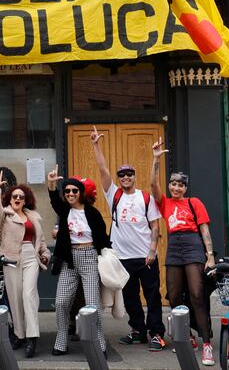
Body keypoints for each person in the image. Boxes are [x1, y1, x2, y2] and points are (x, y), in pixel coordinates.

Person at [91, 127, 166, 351]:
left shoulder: (145, 197)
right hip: (122, 257)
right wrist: (95, 145)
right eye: (121, 175)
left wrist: (152, 251)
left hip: (145, 257)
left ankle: (157, 334)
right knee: (130, 296)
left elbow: (155, 225)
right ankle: (138, 331)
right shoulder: (113, 193)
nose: (125, 177)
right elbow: (102, 169)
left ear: (134, 177)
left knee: (152, 296)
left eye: (129, 174)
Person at [149, 138, 216, 366]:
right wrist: (156, 160)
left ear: (186, 188)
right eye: (173, 183)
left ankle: (206, 343)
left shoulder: (194, 202)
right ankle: (185, 335)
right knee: (175, 295)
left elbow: (204, 228)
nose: (175, 187)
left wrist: (210, 255)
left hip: (193, 244)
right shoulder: (165, 203)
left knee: (197, 294)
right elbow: (152, 185)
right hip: (175, 245)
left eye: (180, 185)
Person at [47, 166, 110, 356]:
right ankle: (61, 340)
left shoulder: (92, 213)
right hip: (69, 259)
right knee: (60, 302)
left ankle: (99, 343)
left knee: (93, 305)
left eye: (74, 190)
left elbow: (103, 237)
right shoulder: (65, 210)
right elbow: (53, 200)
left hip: (89, 257)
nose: (70, 194)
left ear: (81, 193)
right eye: (67, 191)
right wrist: (51, 183)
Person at [0, 175, 50, 358]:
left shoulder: (33, 216)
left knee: (29, 295)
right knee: (14, 298)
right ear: (9, 199)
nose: (17, 199)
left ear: (26, 200)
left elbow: (41, 240)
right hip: (11, 257)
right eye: (14, 196)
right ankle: (19, 335)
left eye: (21, 197)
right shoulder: (3, 215)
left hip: (30, 255)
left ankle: (32, 337)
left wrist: (45, 254)